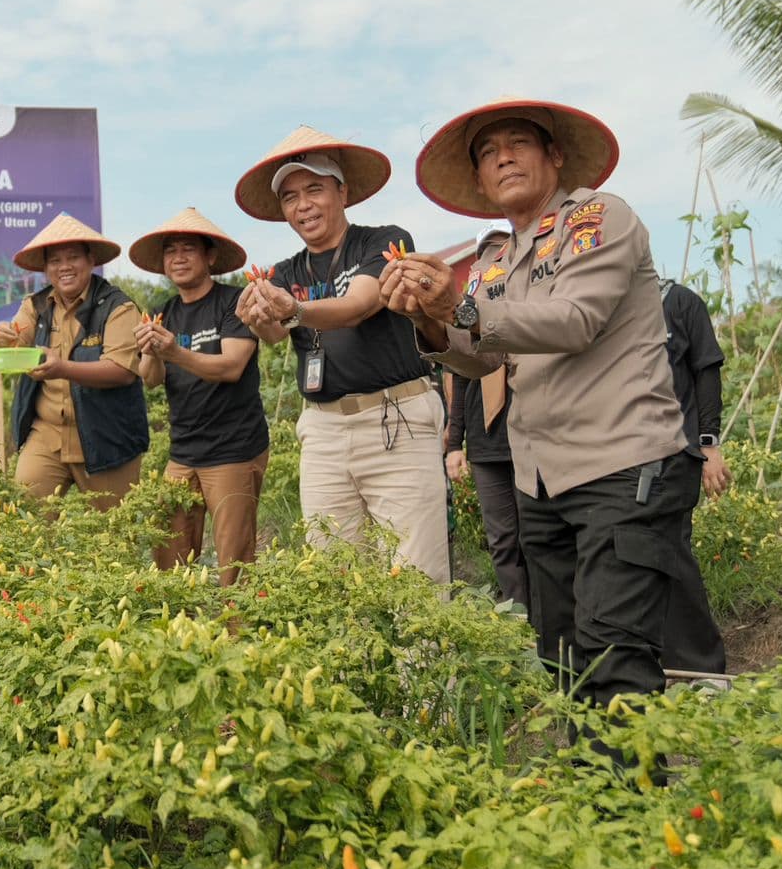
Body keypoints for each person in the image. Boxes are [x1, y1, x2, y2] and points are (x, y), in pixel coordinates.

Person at [386, 97, 699, 715]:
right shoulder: (494, 262)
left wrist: (459, 309)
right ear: (480, 180)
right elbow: (482, 360)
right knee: (563, 657)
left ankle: (630, 778)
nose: (503, 158)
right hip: (540, 480)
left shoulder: (597, 218)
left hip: (620, 466)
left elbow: (575, 319)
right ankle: (588, 773)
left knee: (614, 658)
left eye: (518, 144)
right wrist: (429, 321)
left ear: (554, 155)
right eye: (488, 152)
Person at [232, 126, 449, 583]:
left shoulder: (383, 242)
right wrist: (259, 314)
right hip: (324, 429)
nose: (303, 205)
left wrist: (294, 309)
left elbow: (359, 305)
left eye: (314, 189)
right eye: (290, 197)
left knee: (416, 577)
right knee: (334, 574)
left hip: (394, 419)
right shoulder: (285, 271)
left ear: (343, 192)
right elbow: (273, 333)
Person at [129, 208, 270, 586]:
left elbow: (231, 367)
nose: (178, 257)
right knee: (168, 557)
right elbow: (151, 379)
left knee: (235, 565)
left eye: (188, 249)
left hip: (233, 450)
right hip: (183, 452)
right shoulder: (162, 311)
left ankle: (239, 623)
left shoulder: (233, 302)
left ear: (210, 256)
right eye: (170, 250)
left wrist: (175, 352)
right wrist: (150, 352)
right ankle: (178, 623)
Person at [0, 212, 147, 510]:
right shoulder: (35, 305)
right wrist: (1, 339)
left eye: (73, 257)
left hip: (107, 435)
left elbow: (122, 371)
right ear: (46, 268)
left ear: (90, 260)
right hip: (47, 433)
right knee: (25, 516)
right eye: (55, 260)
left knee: (114, 529)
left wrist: (62, 368)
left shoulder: (118, 307)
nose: (64, 267)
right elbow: (12, 351)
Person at [444, 224, 528, 608]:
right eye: (487, 254)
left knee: (538, 534)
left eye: (501, 250)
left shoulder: (529, 306)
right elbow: (460, 384)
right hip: (486, 441)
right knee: (502, 538)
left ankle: (550, 621)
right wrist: (454, 445)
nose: (494, 260)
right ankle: (519, 617)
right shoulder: (468, 317)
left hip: (529, 434)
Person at [659, 278, 732, 675]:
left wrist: (709, 445)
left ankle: (701, 667)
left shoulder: (681, 302)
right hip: (623, 455)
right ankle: (662, 659)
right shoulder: (610, 303)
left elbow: (706, 372)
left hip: (677, 451)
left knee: (671, 550)